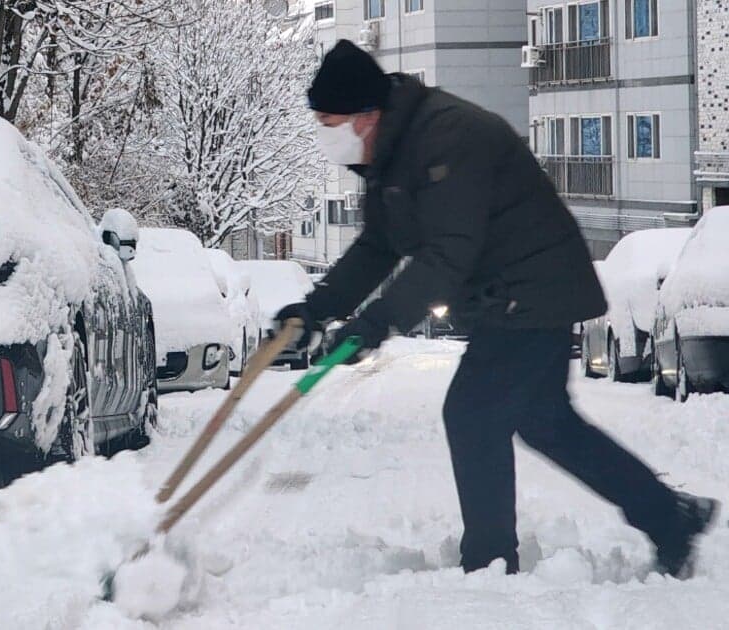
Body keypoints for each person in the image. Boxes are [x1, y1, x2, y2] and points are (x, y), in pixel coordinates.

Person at [276, 39, 718, 577]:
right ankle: (670, 516)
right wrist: (314, 310)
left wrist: (375, 324)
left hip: (531, 290)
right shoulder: (393, 151)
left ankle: (489, 564)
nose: (325, 134)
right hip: (512, 295)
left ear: (365, 115)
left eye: (329, 122)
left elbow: (447, 254)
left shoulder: (445, 138)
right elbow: (378, 246)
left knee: (472, 414)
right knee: (547, 424)